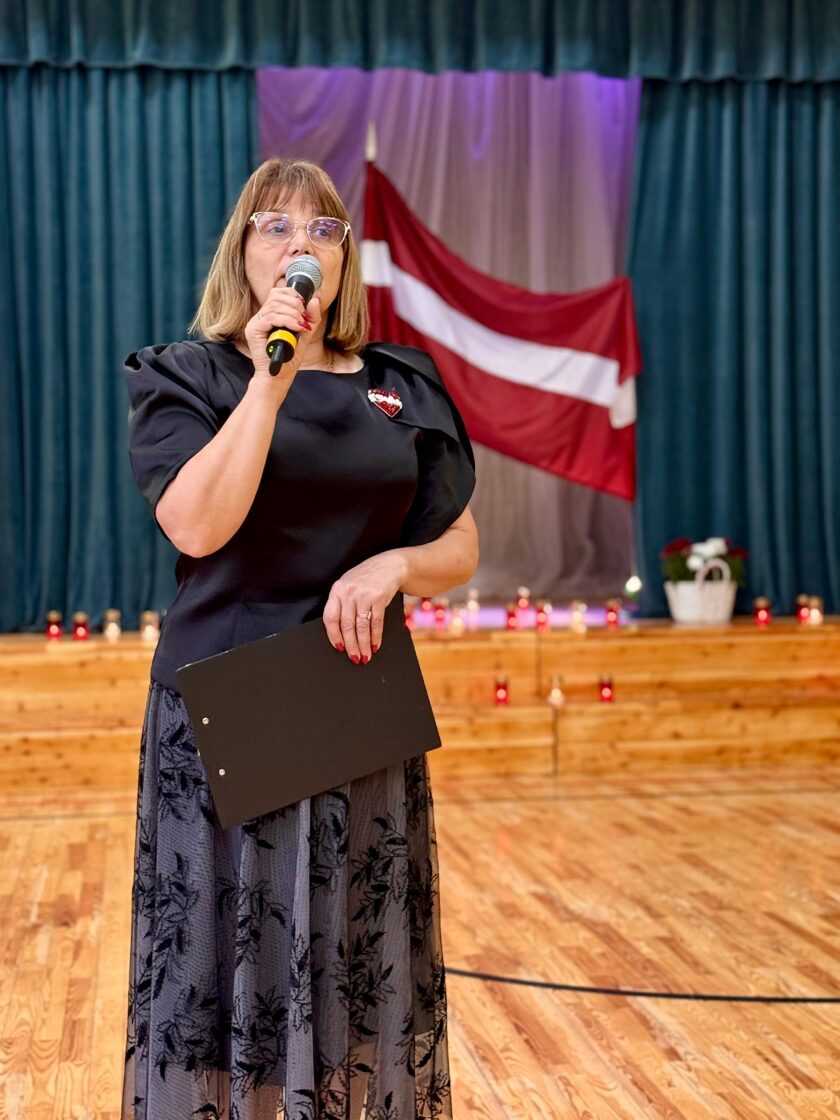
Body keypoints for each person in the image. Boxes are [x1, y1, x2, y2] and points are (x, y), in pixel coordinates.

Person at [120, 157, 478, 1120]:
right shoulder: (186, 376)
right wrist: (268, 384)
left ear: (344, 259)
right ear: (242, 252)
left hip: (355, 712)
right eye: (274, 226)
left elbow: (460, 542)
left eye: (322, 229)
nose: (299, 245)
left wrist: (394, 567)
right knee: (228, 996)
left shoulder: (400, 384)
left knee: (350, 988)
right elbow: (198, 527)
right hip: (230, 715)